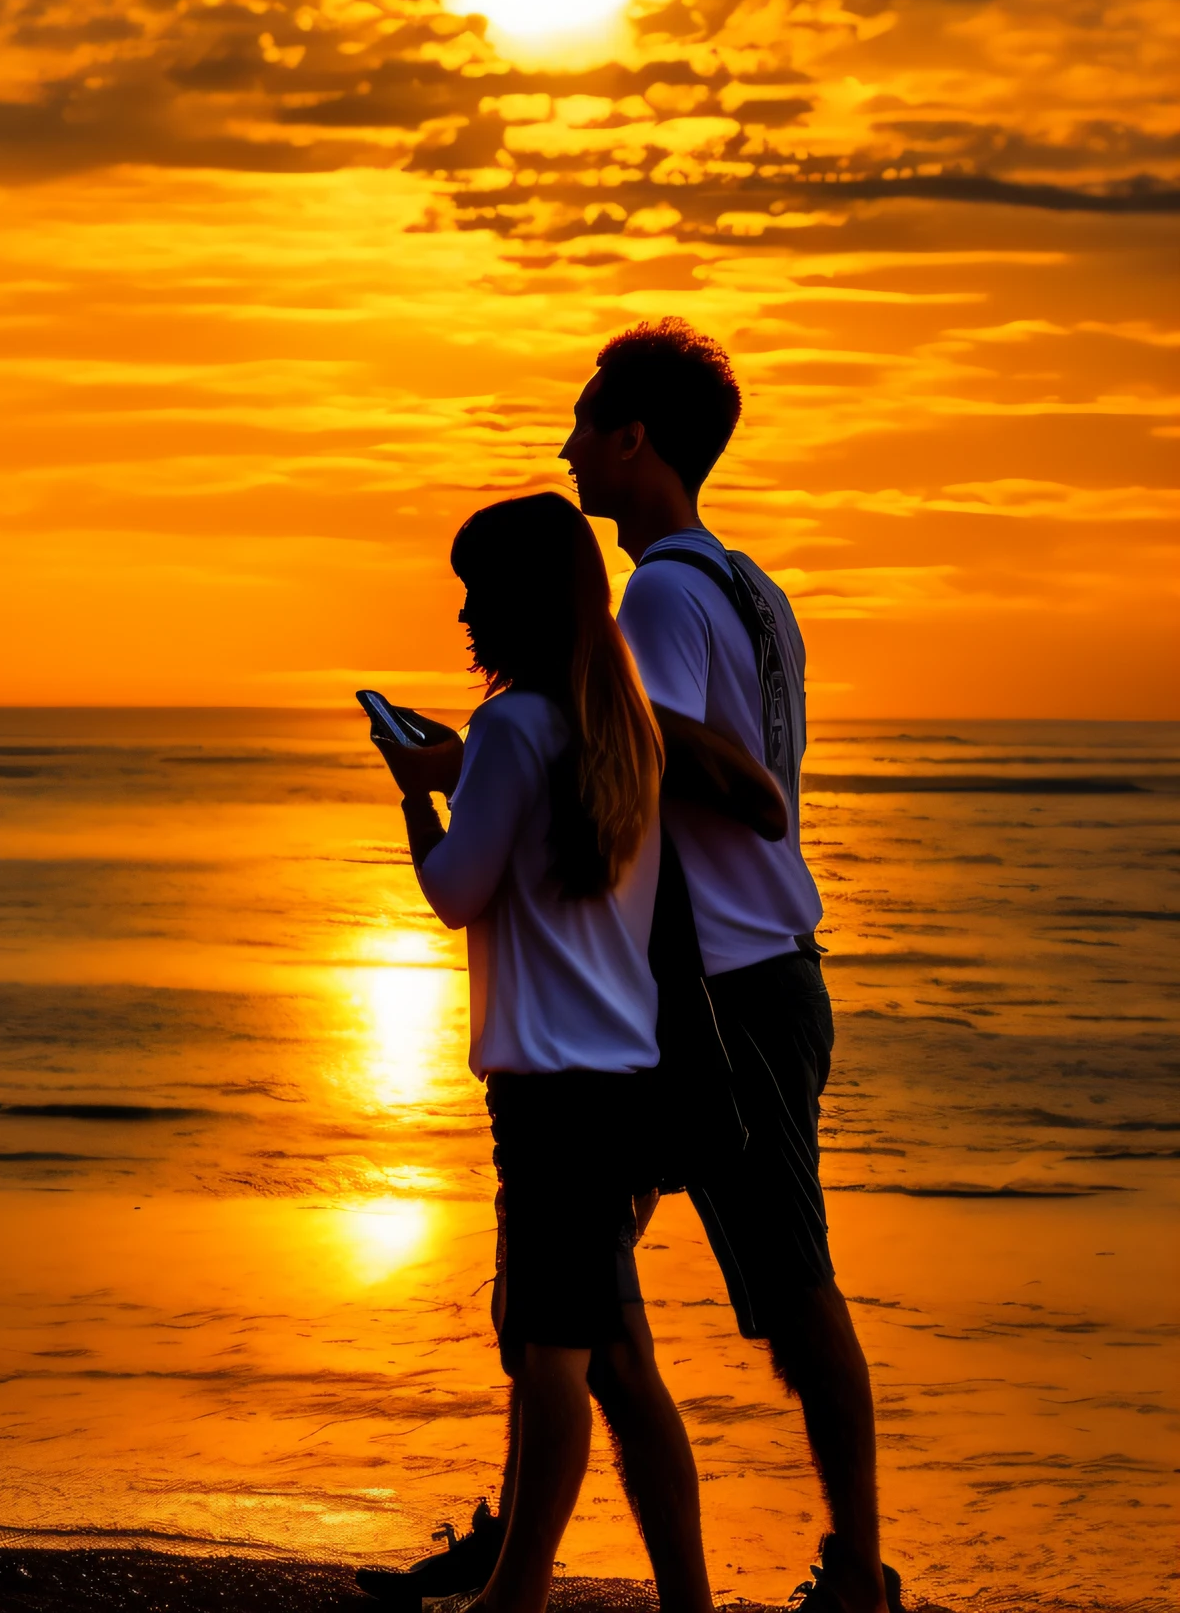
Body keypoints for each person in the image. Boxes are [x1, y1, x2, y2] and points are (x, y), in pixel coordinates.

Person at [361, 323, 901, 1613]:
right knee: (569, 1293)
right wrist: (484, 761)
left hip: (725, 981)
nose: (565, 444)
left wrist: (494, 746)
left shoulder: (655, 593)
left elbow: (637, 741)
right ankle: (530, 1545)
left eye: (584, 421)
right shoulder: (749, 583)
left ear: (633, 437)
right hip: (740, 971)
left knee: (773, 1278)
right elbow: (610, 750)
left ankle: (858, 1567)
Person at [366, 492, 715, 1613]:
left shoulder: (518, 725)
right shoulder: (617, 723)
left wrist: (417, 797)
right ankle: (684, 1605)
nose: (463, 610)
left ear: (517, 597)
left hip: (550, 1092)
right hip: (624, 1079)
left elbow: (456, 892)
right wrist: (462, 775)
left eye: (475, 587)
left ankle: (515, 1599)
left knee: (556, 1350)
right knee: (608, 1353)